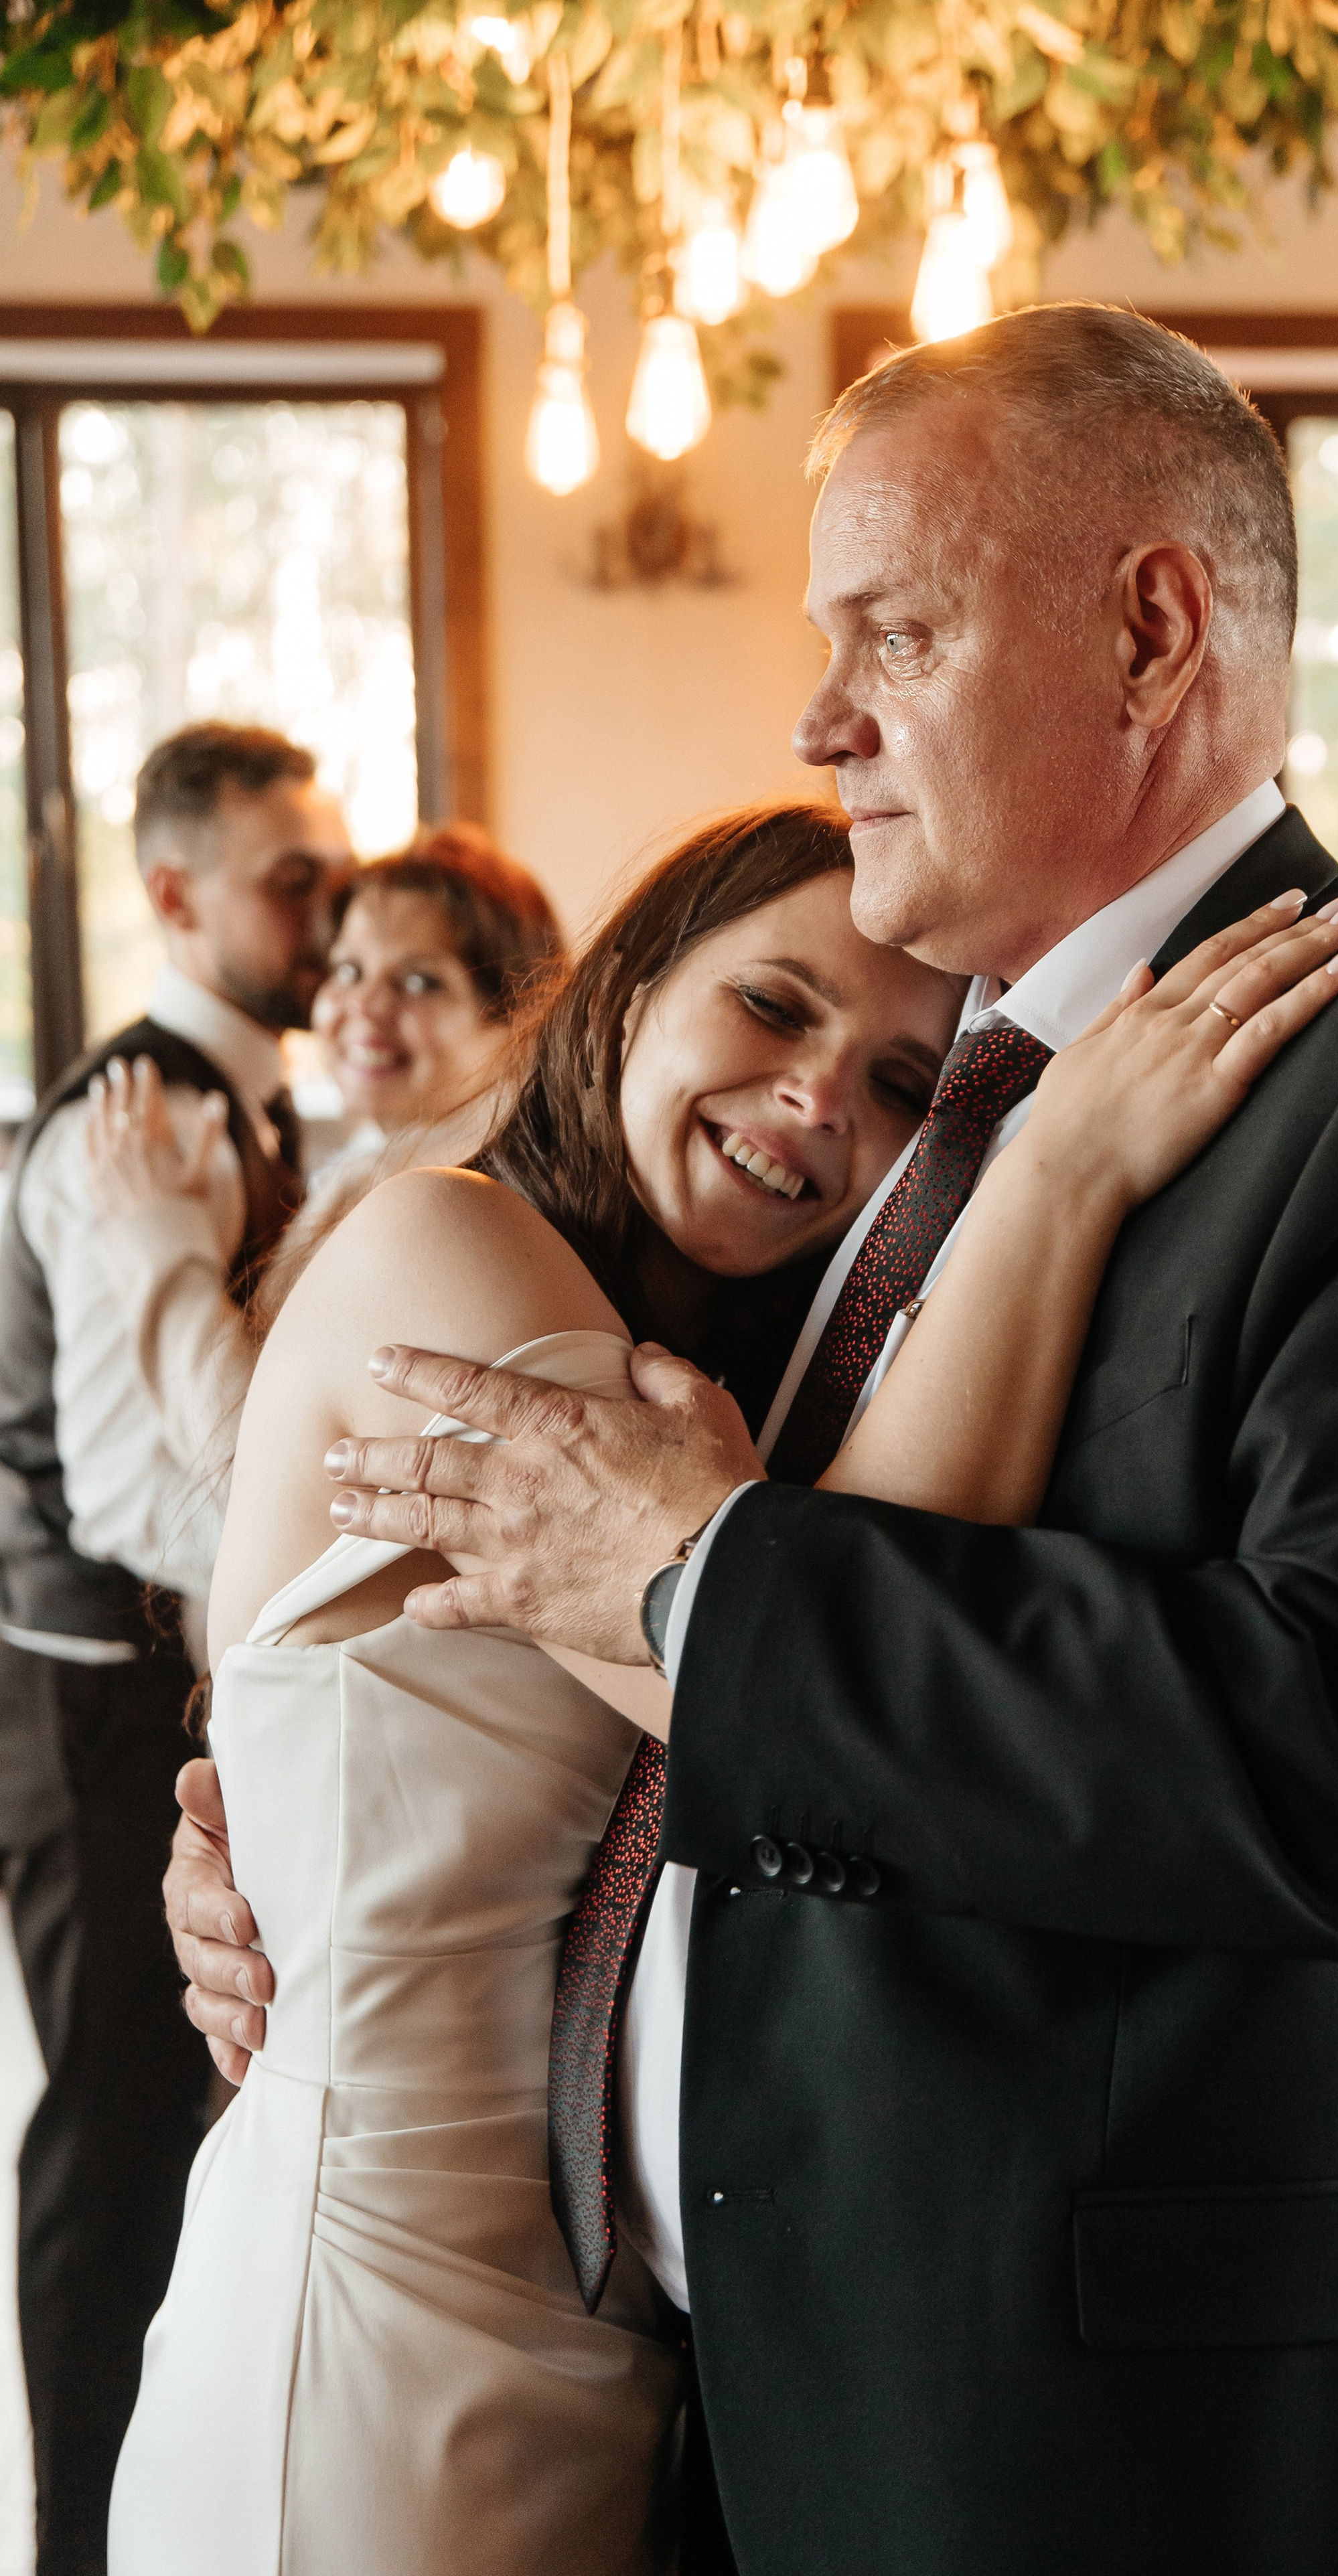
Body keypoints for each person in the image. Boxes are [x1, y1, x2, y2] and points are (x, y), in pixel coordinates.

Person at [171, 306, 1338, 2574]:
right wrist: (263, 1840)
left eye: (888, 629)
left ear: (1149, 623)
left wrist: (697, 1583)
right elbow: (699, 1650)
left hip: (1180, 2444)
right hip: (732, 2405)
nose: (815, 718)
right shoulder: (899, 1142)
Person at [108, 799, 1338, 2575]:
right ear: (623, 986)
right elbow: (819, 1686)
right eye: (772, 1008)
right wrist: (1059, 1174)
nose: (813, 1099)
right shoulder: (443, 1254)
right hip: (371, 2320)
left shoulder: (709, 1382)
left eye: (903, 1084)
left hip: (605, 2344)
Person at [0, 720, 352, 2575]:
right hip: (100, 1699)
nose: (327, 910)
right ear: (170, 893)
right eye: (291, 882)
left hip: (175, 1690)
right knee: (114, 2136)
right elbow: (158, 1500)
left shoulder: (251, 1110)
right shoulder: (135, 1126)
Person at [84, 823, 564, 1496]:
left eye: (421, 981)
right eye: (347, 969)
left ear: (520, 1016)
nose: (364, 1006)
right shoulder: (381, 1161)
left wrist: (162, 1241)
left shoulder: (455, 1204)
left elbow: (252, 1475)